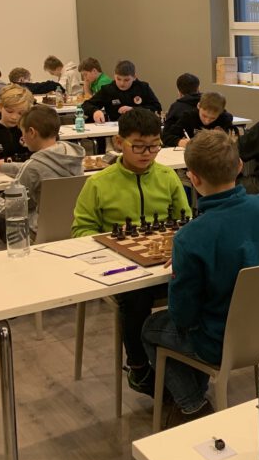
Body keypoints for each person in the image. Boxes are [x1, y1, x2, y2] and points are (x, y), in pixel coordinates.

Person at [141, 130, 259, 427]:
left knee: (151, 327)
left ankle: (192, 404)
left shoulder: (190, 237)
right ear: (239, 166)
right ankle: (193, 394)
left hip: (218, 342)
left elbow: (182, 315)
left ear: (193, 178)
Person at [71, 109, 191, 396]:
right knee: (136, 296)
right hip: (121, 267)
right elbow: (80, 231)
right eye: (138, 146)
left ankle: (188, 358)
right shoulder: (98, 183)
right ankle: (138, 366)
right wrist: (116, 244)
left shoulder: (167, 176)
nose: (147, 153)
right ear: (118, 142)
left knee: (199, 282)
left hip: (164, 261)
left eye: (154, 146)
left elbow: (185, 220)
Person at [0, 105, 85, 240]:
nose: (22, 137)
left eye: (22, 132)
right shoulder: (72, 155)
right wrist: (0, 167)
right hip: (73, 226)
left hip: (38, 232)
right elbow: (41, 168)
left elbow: (9, 210)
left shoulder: (33, 168)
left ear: (31, 132)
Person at [82, 60, 161, 123]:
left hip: (140, 126)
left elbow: (157, 107)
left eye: (126, 80)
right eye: (118, 79)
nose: (122, 83)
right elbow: (86, 105)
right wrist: (95, 111)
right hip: (115, 128)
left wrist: (134, 110)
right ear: (114, 76)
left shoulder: (143, 87)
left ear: (134, 77)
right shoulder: (108, 90)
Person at [162, 91, 235, 148]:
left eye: (213, 118)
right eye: (204, 116)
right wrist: (179, 142)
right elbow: (166, 136)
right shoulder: (189, 117)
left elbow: (232, 139)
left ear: (220, 113)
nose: (207, 121)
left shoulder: (224, 120)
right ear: (198, 106)